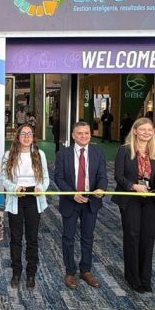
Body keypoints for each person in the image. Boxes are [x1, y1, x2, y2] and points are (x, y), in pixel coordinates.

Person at [113, 117, 155, 293]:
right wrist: (133, 186)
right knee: (132, 236)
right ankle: (133, 278)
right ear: (135, 131)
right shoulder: (124, 150)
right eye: (142, 129)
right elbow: (118, 176)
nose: (146, 133)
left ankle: (145, 278)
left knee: (148, 238)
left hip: (151, 199)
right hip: (130, 198)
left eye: (149, 130)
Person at [54, 122, 107, 289]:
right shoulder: (63, 154)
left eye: (87, 133)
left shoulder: (98, 152)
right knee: (68, 237)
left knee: (88, 237)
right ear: (73, 135)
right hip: (71, 201)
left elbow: (102, 175)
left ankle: (85, 270)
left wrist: (101, 188)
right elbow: (58, 178)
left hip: (91, 201)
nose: (84, 136)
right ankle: (70, 272)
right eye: (80, 133)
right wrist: (72, 194)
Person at [0, 124, 50, 289]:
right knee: (16, 238)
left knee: (32, 237)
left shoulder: (40, 154)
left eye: (30, 134)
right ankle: (16, 272)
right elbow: (3, 178)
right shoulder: (9, 155)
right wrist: (14, 188)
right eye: (23, 134)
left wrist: (40, 188)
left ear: (33, 137)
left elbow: (45, 178)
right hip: (16, 197)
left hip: (34, 198)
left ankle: (31, 273)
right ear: (18, 136)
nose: (27, 137)